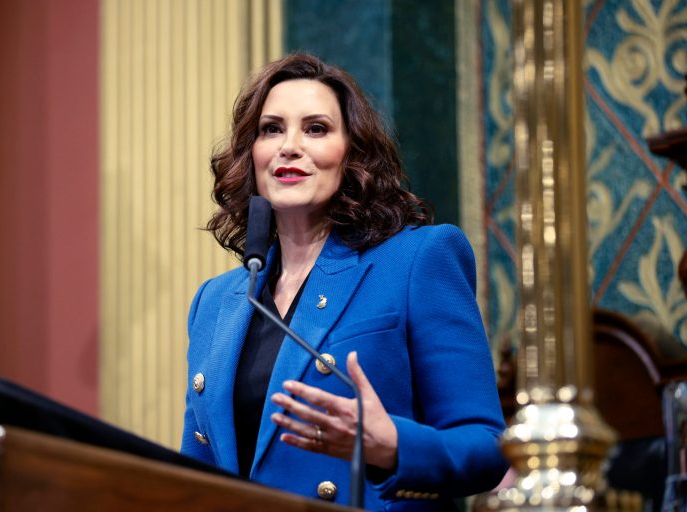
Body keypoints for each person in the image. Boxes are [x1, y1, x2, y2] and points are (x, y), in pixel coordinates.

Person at [180, 52, 509, 510]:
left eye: (316, 129)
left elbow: (487, 448)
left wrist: (391, 444)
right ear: (250, 153)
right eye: (271, 129)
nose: (288, 146)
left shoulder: (418, 259)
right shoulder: (215, 303)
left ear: (352, 152)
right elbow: (192, 476)